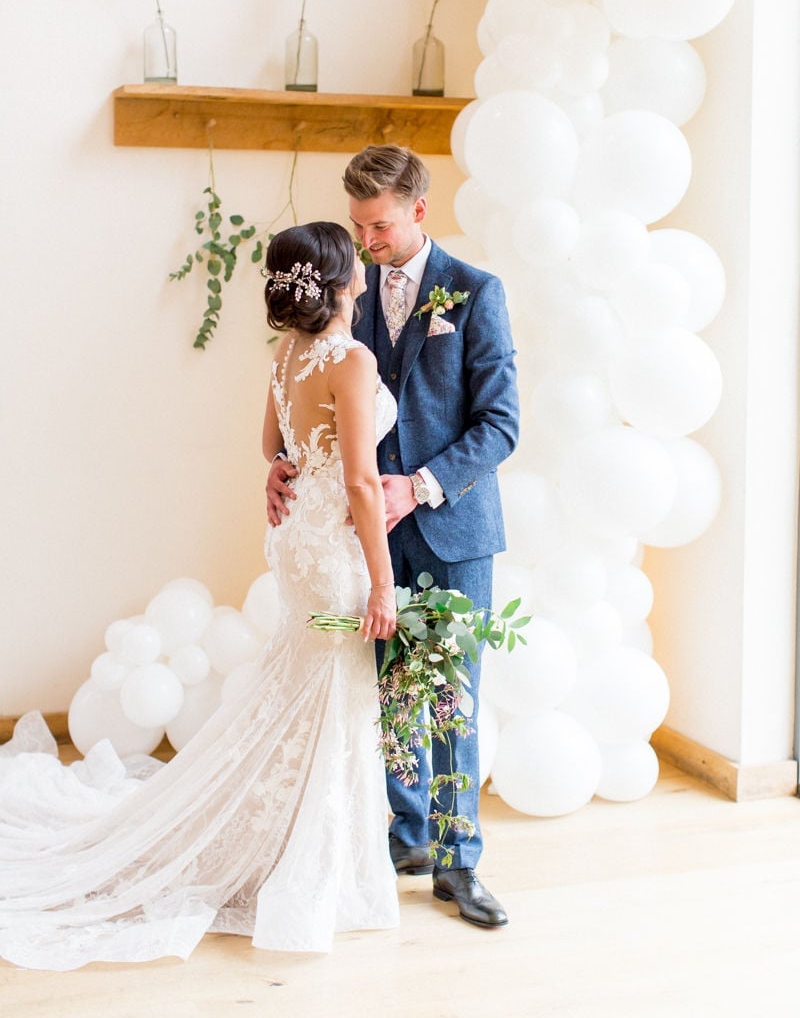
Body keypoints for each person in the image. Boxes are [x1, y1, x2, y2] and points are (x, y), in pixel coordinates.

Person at [0, 221, 400, 970]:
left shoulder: (287, 355)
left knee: (300, 695)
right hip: (333, 553)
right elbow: (360, 483)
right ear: (344, 282)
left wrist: (283, 474)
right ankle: (304, 862)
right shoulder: (351, 360)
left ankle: (278, 842)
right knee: (328, 698)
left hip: (296, 548)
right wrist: (382, 583)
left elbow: (268, 446)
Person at [268, 146, 519, 929]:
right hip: (361, 537)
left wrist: (422, 484)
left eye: (379, 225)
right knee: (387, 689)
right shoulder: (343, 293)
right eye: (357, 226)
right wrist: (280, 463)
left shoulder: (477, 294)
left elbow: (501, 424)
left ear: (419, 210)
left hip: (452, 530)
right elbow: (309, 397)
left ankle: (459, 860)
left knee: (452, 695)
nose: (367, 240)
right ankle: (406, 834)